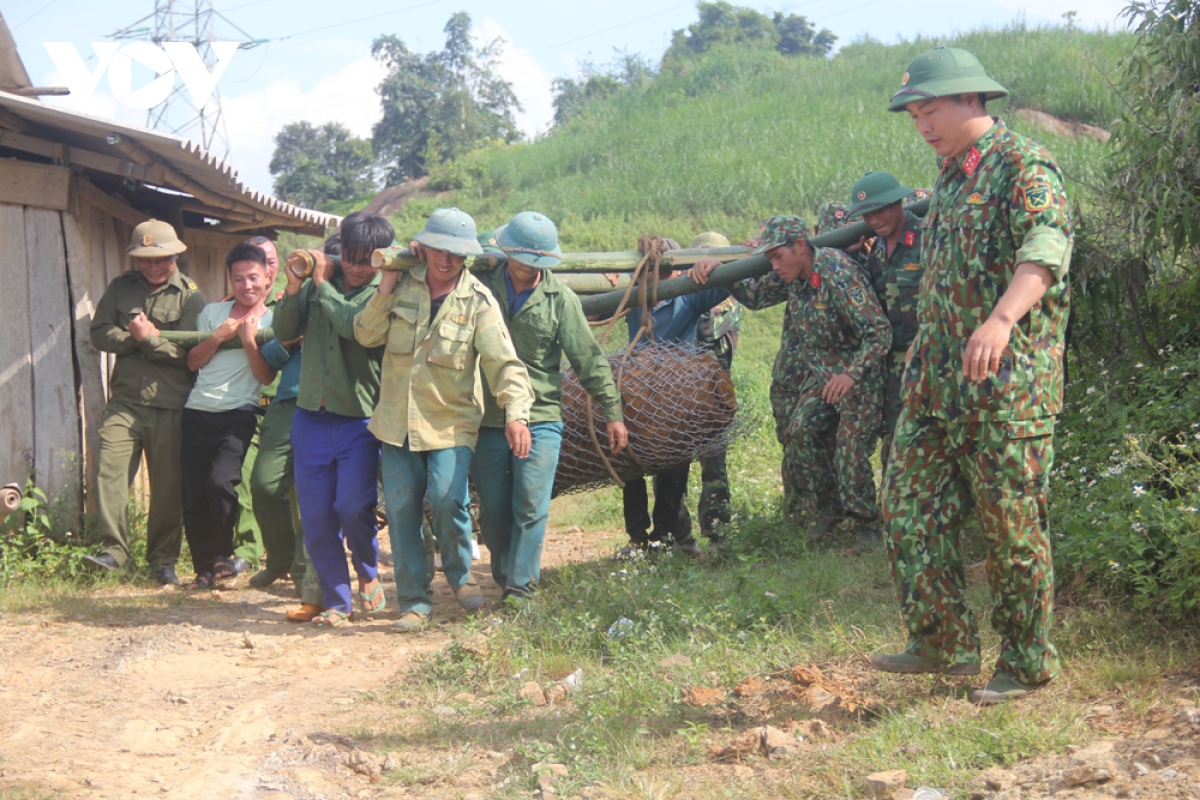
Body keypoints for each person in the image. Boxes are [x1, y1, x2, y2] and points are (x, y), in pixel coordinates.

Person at [871, 47, 1072, 704]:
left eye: (930, 110)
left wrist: (1002, 319)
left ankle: (1026, 663)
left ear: (969, 99)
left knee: (1010, 526)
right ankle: (943, 644)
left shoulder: (1024, 166)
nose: (922, 124)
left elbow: (1044, 249)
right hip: (936, 389)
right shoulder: (952, 179)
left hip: (1007, 388)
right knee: (907, 510)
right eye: (914, 115)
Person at [353, 207, 535, 633]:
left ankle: (459, 575)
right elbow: (366, 334)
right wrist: (388, 282)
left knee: (447, 499)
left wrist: (516, 414)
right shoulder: (402, 284)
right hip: (396, 421)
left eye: (457, 253)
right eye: (440, 250)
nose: (447, 260)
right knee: (399, 508)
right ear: (426, 246)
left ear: (467, 256)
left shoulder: (478, 301)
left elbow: (504, 363)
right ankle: (415, 601)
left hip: (450, 423)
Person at [691, 216, 890, 544]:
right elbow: (754, 298)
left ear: (800, 246)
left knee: (849, 451)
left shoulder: (838, 273)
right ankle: (830, 508)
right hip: (823, 377)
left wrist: (852, 375)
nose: (775, 267)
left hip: (858, 378)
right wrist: (720, 269)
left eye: (777, 257)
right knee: (799, 433)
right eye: (769, 259)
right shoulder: (791, 273)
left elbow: (879, 332)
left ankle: (866, 524)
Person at [472, 212, 628, 600]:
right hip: (488, 416)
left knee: (531, 501)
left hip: (541, 417)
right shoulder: (479, 286)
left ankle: (521, 586)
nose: (530, 269)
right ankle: (506, 570)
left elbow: (588, 360)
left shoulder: (562, 301)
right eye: (523, 260)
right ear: (507, 252)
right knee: (492, 508)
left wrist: (612, 411)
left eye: (538, 262)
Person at [273, 212, 395, 629]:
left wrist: (322, 282)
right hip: (310, 417)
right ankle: (337, 604)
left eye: (366, 261)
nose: (357, 269)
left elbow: (352, 328)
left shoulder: (383, 291)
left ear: (379, 259)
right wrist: (293, 284)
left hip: (357, 419)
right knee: (317, 516)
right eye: (351, 258)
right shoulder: (315, 285)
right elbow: (285, 331)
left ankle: (367, 569)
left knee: (352, 505)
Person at [84, 219, 205, 585]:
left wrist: (149, 341)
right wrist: (137, 338)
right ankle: (114, 551)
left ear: (175, 257)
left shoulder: (190, 296)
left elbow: (190, 354)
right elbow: (100, 332)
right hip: (125, 401)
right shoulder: (121, 288)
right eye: (145, 259)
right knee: (109, 468)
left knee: (168, 485)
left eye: (161, 259)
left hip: (170, 403)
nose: (153, 266)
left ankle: (163, 561)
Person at [620, 239, 731, 556]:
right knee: (631, 468)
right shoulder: (634, 295)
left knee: (672, 473)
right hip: (639, 396)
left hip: (676, 401)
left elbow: (724, 285)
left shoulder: (688, 296)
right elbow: (599, 301)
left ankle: (665, 538)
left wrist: (714, 264)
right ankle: (638, 538)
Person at [180, 244, 278, 588]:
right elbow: (194, 362)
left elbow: (266, 377)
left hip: (240, 412)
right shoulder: (211, 313)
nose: (247, 285)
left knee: (221, 482)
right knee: (192, 494)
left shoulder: (273, 320)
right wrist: (219, 336)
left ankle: (223, 552)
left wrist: (249, 342)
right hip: (197, 410)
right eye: (239, 279)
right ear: (230, 280)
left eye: (253, 277)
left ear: (267, 276)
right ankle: (204, 569)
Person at [250, 234, 339, 610]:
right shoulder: (301, 297)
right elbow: (273, 349)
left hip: (337, 406)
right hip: (290, 403)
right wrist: (292, 340)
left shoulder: (361, 299)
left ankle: (307, 573)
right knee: (265, 483)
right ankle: (281, 557)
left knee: (317, 496)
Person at [846, 171, 924, 474]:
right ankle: (896, 512)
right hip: (891, 366)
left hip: (928, 360)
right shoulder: (875, 250)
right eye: (866, 214)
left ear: (898, 202)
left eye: (879, 210)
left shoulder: (928, 238)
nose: (874, 220)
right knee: (894, 443)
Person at [231, 235, 283, 574]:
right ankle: (247, 552)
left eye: (269, 261)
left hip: (284, 408)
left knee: (283, 485)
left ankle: (289, 553)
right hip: (248, 405)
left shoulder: (288, 308)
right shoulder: (228, 310)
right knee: (245, 480)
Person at [691, 232, 742, 543]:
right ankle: (676, 535)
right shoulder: (689, 292)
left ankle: (718, 534)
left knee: (713, 467)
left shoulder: (728, 299)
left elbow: (708, 330)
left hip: (712, 396)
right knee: (672, 470)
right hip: (680, 395)